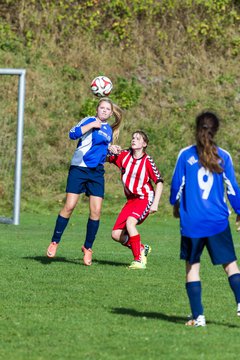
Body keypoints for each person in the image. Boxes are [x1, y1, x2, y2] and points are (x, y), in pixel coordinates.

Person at [170, 110, 240, 327]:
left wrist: (176, 206)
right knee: (231, 266)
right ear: (216, 130)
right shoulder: (223, 156)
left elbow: (175, 188)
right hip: (218, 221)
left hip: (192, 223)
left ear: (196, 129)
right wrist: (239, 212)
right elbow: (233, 190)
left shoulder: (185, 155)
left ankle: (198, 317)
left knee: (192, 267)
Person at [46, 97, 123, 265]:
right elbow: (72, 134)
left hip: (96, 172)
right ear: (97, 109)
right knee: (69, 206)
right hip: (79, 169)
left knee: (96, 211)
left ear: (111, 113)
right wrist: (90, 125)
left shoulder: (108, 130)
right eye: (101, 108)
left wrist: (111, 148)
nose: (104, 111)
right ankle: (54, 241)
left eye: (107, 109)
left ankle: (88, 248)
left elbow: (101, 149)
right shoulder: (89, 120)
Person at [107, 130, 164, 269]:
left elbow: (159, 182)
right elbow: (104, 158)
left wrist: (155, 203)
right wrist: (109, 148)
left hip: (145, 198)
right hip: (131, 200)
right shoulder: (124, 155)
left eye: (138, 139)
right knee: (115, 234)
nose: (134, 140)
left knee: (130, 223)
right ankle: (142, 248)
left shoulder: (147, 161)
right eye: (133, 138)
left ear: (144, 144)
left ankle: (138, 260)